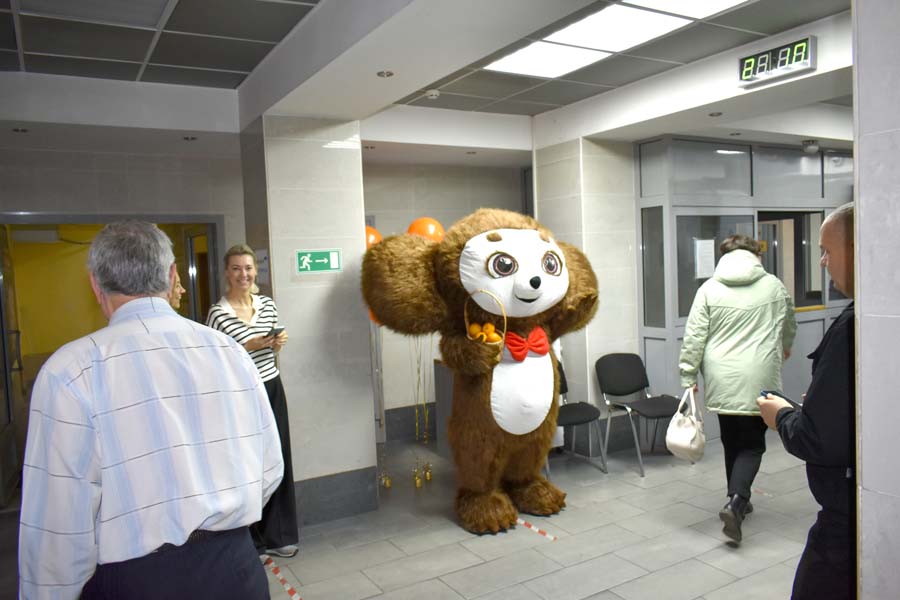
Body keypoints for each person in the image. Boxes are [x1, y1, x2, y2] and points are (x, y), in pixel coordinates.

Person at [18, 221, 283, 600]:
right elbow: (269, 468)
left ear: (95, 284)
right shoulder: (228, 352)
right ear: (172, 275)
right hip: (235, 569)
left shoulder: (71, 371)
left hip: (136, 579)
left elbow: (57, 526)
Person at [758, 202, 856, 600]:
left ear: (859, 248)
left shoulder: (855, 326)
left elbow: (819, 440)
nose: (822, 262)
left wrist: (782, 416)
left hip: (846, 519)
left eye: (828, 250)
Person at [679, 234, 796, 543]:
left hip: (721, 376)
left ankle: (736, 495)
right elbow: (788, 323)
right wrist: (785, 347)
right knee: (753, 444)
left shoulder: (709, 289)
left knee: (732, 439)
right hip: (759, 375)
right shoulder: (773, 286)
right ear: (756, 255)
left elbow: (694, 336)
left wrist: (688, 375)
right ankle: (737, 501)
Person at [206, 244, 298, 558]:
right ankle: (253, 540)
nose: (242, 274)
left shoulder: (267, 305)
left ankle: (279, 536)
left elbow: (273, 351)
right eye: (236, 268)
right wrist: (248, 345)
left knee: (279, 457)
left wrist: (276, 342)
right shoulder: (218, 313)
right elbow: (215, 359)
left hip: (271, 386)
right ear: (226, 273)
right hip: (242, 394)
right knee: (248, 463)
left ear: (255, 271)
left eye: (247, 268)